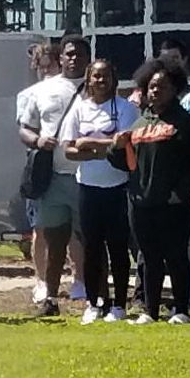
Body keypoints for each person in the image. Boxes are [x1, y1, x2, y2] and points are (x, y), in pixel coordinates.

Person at [112, 58, 190, 324]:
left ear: (175, 88)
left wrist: (182, 193)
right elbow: (125, 162)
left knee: (176, 255)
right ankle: (150, 310)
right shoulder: (138, 125)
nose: (155, 91)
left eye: (162, 86)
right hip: (139, 201)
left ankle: (181, 309)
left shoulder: (187, 123)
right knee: (148, 257)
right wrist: (116, 146)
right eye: (151, 87)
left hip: (174, 203)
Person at [61, 59, 139, 324]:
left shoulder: (126, 109)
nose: (101, 81)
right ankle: (94, 303)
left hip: (117, 188)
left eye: (106, 76)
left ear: (114, 79)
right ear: (88, 79)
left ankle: (119, 305)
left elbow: (126, 142)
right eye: (96, 76)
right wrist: (105, 146)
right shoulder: (79, 109)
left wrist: (89, 143)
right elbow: (70, 149)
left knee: (118, 247)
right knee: (92, 248)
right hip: (88, 188)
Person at [19, 35, 91, 318]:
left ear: (88, 58)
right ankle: (49, 296)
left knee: (90, 238)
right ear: (61, 58)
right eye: (69, 54)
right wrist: (37, 141)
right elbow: (25, 128)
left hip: (90, 177)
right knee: (52, 238)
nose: (74, 59)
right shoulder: (44, 90)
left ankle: (91, 294)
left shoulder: (98, 86)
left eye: (80, 55)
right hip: (54, 177)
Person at [17, 43, 61, 305]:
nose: (45, 71)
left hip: (67, 166)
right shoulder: (27, 96)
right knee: (41, 228)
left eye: (50, 66)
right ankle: (41, 280)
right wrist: (39, 140)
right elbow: (24, 131)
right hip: (40, 168)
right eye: (41, 67)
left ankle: (78, 278)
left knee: (74, 231)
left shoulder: (72, 91)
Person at [129, 39, 190, 109]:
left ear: (184, 59)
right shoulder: (137, 99)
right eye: (165, 58)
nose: (169, 62)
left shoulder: (189, 97)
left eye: (174, 58)